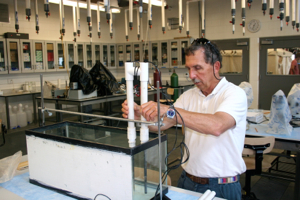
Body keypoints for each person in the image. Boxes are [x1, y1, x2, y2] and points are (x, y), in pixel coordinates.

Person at [122, 38, 247, 200]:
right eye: (188, 68)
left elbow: (217, 125)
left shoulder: (234, 94)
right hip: (187, 180)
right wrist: (141, 117)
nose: (191, 75)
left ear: (216, 67)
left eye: (197, 68)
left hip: (222, 186)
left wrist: (169, 110)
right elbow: (162, 124)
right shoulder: (189, 96)